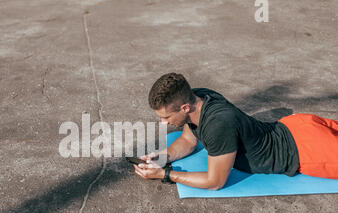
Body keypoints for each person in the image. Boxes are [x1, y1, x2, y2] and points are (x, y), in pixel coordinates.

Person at [134, 73, 338, 190]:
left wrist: (166, 174)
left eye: (166, 117)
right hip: (298, 125)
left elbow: (215, 182)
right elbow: (188, 141)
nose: (164, 122)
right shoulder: (199, 96)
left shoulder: (218, 125)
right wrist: (161, 157)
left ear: (185, 107)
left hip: (308, 150)